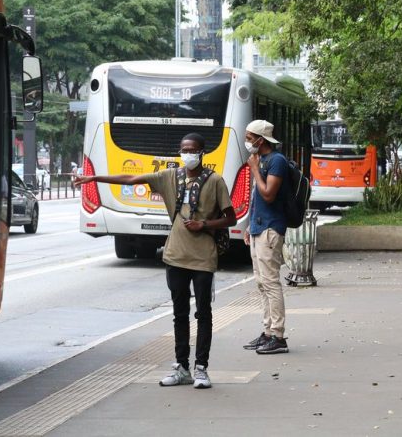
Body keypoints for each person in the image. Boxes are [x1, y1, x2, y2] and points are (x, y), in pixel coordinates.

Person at [75, 133, 236, 389]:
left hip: (204, 258)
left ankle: (201, 368)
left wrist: (203, 224)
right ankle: (182, 367)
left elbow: (231, 218)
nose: (187, 154)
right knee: (179, 314)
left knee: (203, 313)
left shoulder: (215, 181)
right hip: (175, 256)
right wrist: (94, 178)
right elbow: (129, 178)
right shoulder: (169, 176)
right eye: (184, 150)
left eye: (192, 150)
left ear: (202, 152)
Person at [242, 119, 291, 355]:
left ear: (261, 140)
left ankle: (278, 335)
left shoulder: (276, 161)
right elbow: (255, 199)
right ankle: (268, 331)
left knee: (270, 283)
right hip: (258, 228)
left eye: (250, 138)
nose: (247, 142)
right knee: (261, 284)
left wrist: (253, 169)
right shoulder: (260, 160)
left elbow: (268, 195)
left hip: (271, 229)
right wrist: (248, 227)